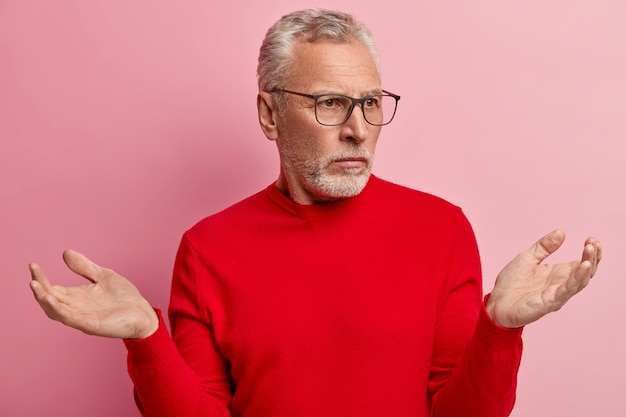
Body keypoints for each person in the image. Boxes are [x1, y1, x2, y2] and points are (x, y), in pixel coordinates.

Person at [29, 9, 602, 417]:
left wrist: (499, 331)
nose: (358, 129)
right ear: (270, 114)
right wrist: (146, 337)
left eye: (371, 103)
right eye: (331, 102)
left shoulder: (442, 229)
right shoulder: (208, 249)